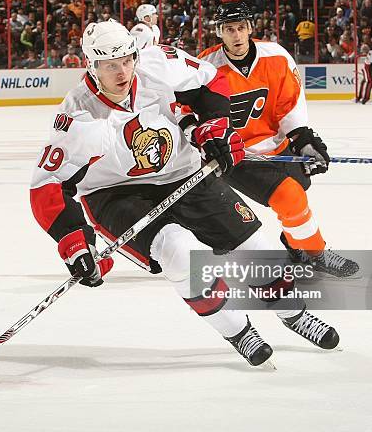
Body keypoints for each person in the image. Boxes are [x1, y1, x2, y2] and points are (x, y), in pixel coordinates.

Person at [29, 20, 340, 367]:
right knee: (181, 253)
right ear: (91, 65)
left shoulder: (158, 63)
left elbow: (210, 82)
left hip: (184, 171)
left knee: (259, 249)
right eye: (110, 65)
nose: (123, 71)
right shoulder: (77, 116)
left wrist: (213, 128)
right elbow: (46, 186)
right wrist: (74, 243)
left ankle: (294, 314)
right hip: (116, 194)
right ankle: (239, 331)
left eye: (127, 60)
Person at [197, 2, 358, 277]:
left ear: (250, 28)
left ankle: (296, 242)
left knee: (299, 188)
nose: (236, 36)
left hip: (277, 147)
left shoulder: (276, 56)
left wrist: (303, 139)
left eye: (241, 28)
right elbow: (192, 112)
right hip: (238, 155)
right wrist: (208, 141)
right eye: (229, 29)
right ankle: (314, 252)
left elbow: (289, 105)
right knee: (289, 196)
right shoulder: (206, 67)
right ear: (219, 33)